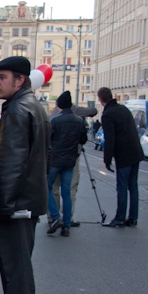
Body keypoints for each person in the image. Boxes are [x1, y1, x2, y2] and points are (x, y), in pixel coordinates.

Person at [0, 57, 50, 294]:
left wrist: (5, 206)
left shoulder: (18, 110)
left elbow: (11, 164)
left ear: (20, 80)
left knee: (16, 264)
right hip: (26, 200)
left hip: (18, 204)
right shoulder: (30, 105)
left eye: (2, 77)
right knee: (15, 261)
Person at [97, 87, 144, 227]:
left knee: (122, 187)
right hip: (136, 151)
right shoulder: (124, 109)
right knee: (133, 186)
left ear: (100, 100)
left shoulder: (108, 115)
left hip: (124, 155)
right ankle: (133, 217)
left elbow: (110, 139)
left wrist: (107, 159)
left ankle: (120, 217)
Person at [46, 92, 87, 237]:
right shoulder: (79, 121)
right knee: (67, 192)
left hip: (55, 160)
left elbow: (49, 140)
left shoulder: (55, 121)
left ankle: (56, 217)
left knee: (48, 187)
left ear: (59, 106)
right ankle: (67, 225)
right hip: (70, 160)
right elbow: (83, 140)